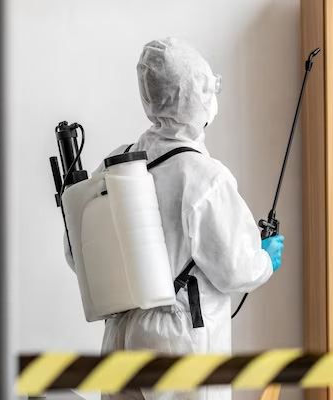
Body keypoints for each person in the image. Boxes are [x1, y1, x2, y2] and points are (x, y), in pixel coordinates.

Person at [67, 37, 285, 400]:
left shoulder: (116, 164)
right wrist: (265, 258)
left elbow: (79, 251)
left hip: (120, 334)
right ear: (195, 95)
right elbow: (235, 270)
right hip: (178, 340)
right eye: (208, 87)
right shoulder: (204, 177)